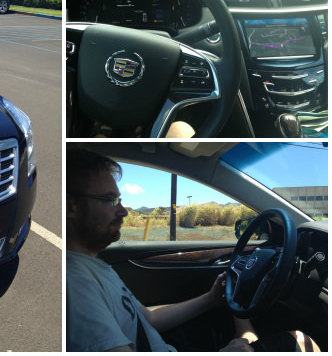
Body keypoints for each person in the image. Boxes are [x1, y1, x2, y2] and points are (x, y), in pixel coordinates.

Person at [66, 147, 320, 352]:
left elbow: (148, 320)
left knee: (242, 331)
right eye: (110, 200)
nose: (123, 211)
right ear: (71, 208)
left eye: (119, 200)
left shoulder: (94, 265)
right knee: (298, 341)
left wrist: (210, 300)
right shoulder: (75, 283)